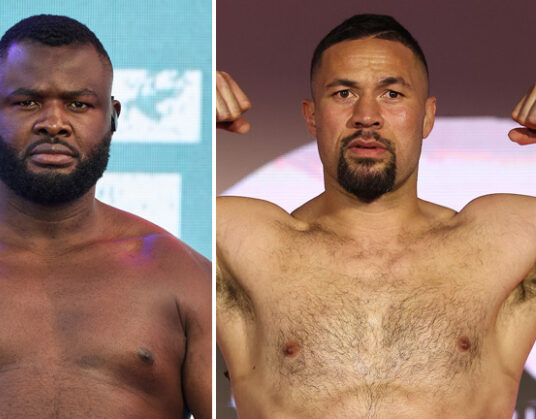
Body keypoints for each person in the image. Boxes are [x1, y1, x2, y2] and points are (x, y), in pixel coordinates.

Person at [216, 13, 536, 418]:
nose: (367, 115)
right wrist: (184, 112)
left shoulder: (504, 242)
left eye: (392, 94)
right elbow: (120, 247)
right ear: (311, 116)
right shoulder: (245, 242)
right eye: (344, 94)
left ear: (427, 116)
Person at [0, 15, 211, 418]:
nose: (54, 123)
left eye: (78, 104)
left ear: (112, 117)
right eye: (28, 102)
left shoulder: (182, 276)